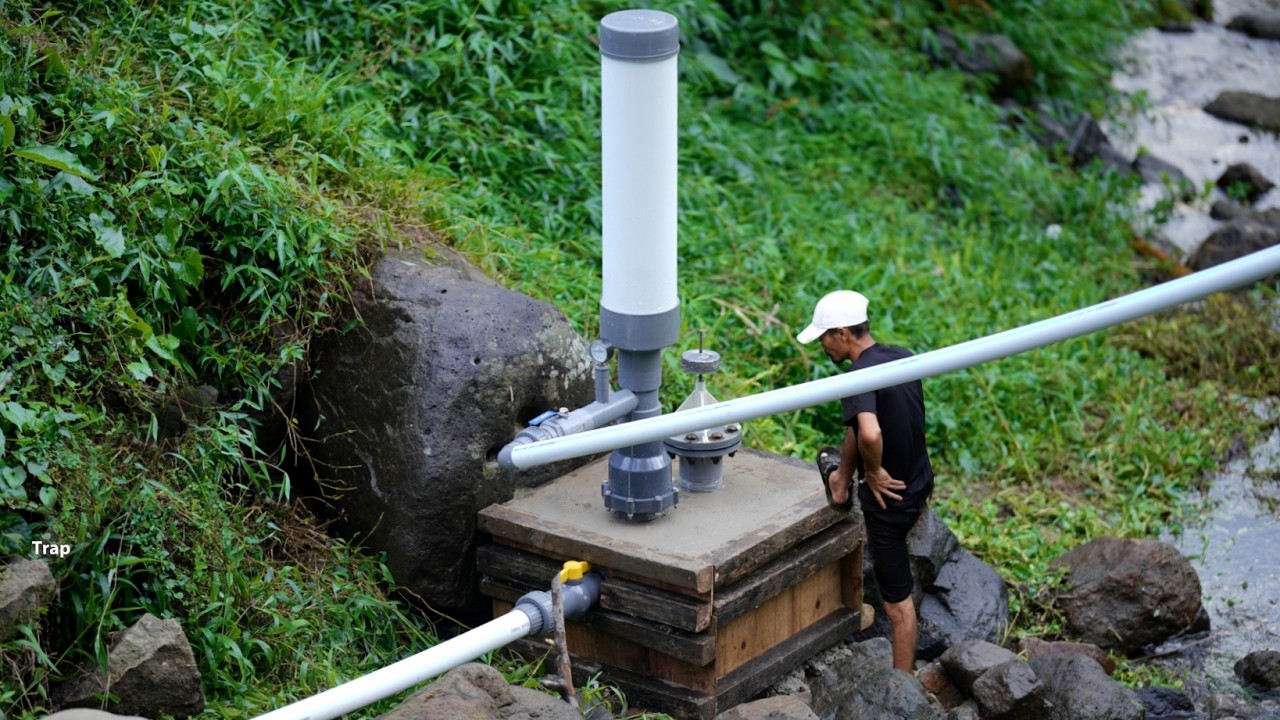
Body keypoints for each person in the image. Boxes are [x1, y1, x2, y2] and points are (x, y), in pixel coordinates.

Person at [796, 290, 935, 674]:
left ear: (842, 333)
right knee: (857, 424)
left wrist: (873, 472)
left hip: (891, 501)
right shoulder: (901, 357)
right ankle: (839, 482)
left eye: (824, 336)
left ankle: (904, 685)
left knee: (897, 606)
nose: (822, 345)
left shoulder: (858, 376)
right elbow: (881, 421)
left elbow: (872, 435)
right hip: (920, 479)